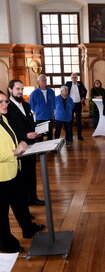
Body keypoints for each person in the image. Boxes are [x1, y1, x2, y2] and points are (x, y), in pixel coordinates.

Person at [0, 91, 45, 253]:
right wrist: (15, 151)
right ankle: (6, 244)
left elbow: (10, 139)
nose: (5, 104)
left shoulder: (3, 118)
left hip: (14, 169)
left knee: (20, 203)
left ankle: (28, 228)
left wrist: (19, 142)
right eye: (1, 102)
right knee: (2, 214)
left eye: (5, 101)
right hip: (2, 175)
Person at [6, 79, 44, 207]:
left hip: (31, 144)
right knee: (22, 177)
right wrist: (25, 135)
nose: (20, 92)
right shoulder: (7, 108)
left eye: (21, 89)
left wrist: (36, 131)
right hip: (19, 146)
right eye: (17, 89)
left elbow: (31, 124)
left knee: (31, 173)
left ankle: (33, 198)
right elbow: (10, 131)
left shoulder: (26, 105)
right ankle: (24, 204)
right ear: (10, 89)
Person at [29, 74, 55, 141]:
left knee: (50, 135)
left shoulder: (51, 91)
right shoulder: (34, 93)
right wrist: (38, 111)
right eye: (42, 80)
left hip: (50, 116)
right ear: (38, 82)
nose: (44, 81)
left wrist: (53, 111)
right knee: (39, 135)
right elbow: (31, 104)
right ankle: (41, 151)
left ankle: (50, 149)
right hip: (40, 117)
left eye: (45, 80)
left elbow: (54, 102)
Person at [65, 73, 87, 141]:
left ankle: (79, 136)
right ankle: (70, 136)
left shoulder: (80, 83)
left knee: (79, 121)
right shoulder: (68, 84)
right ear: (71, 78)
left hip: (78, 104)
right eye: (73, 77)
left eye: (75, 77)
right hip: (70, 105)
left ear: (77, 78)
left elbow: (85, 90)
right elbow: (63, 91)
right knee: (70, 121)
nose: (74, 78)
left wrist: (83, 97)